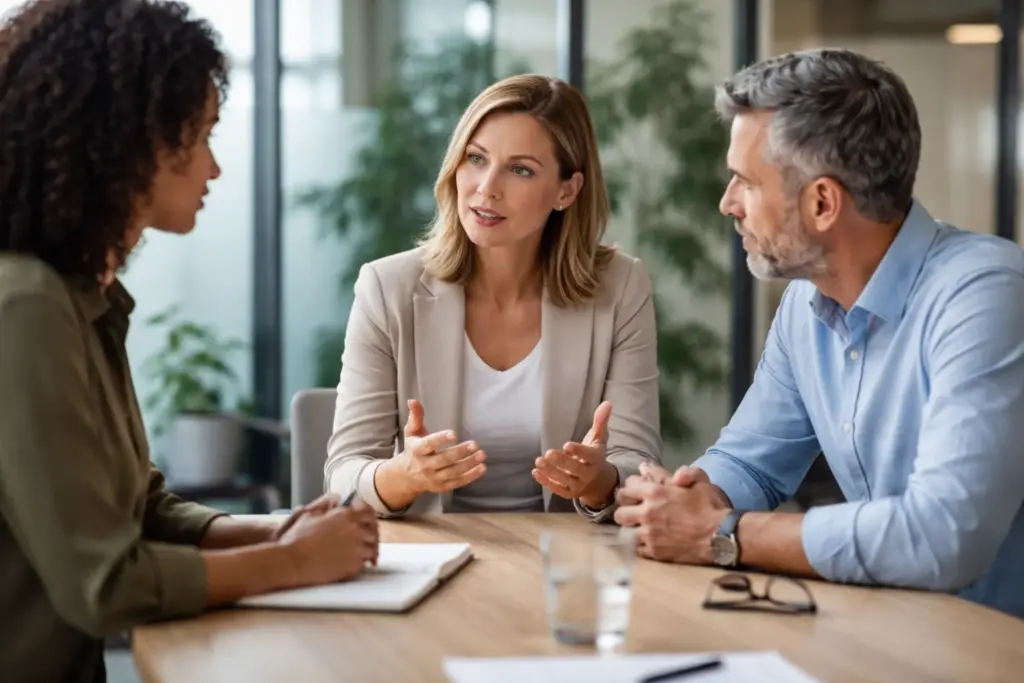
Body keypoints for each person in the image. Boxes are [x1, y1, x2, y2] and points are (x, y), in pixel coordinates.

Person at [0, 2, 378, 681]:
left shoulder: (83, 296)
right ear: (128, 143)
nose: (214, 168)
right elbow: (104, 583)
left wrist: (277, 529)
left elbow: (140, 508)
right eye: (200, 136)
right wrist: (295, 562)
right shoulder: (23, 307)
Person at [614, 48, 1024, 619]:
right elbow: (753, 464)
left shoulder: (987, 295)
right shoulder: (807, 302)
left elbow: (943, 537)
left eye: (744, 183)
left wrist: (722, 532)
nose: (726, 203)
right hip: (900, 634)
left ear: (823, 202)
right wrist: (680, 499)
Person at [325, 74, 662, 521]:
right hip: (431, 555)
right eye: (476, 158)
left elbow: (637, 464)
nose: (486, 187)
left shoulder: (620, 286)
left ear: (567, 190)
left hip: (561, 559)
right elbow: (342, 477)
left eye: (520, 169)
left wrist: (599, 483)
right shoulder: (388, 287)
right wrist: (406, 475)